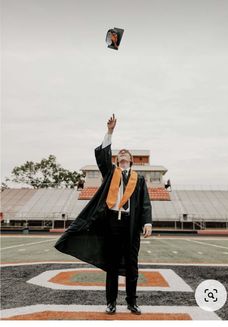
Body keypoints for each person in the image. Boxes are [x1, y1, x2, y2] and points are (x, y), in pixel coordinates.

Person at [54, 114, 152, 315]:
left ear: (131, 161)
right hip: (111, 225)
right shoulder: (110, 173)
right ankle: (111, 302)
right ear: (117, 160)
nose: (123, 153)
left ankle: (132, 302)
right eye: (120, 153)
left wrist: (147, 222)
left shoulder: (139, 180)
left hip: (131, 225)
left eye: (127, 153)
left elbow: (144, 203)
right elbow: (102, 156)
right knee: (113, 264)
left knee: (132, 265)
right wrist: (110, 132)